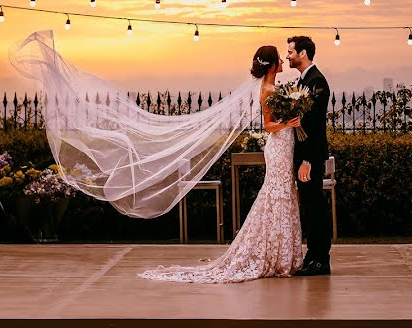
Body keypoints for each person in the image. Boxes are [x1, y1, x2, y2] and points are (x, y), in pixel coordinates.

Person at [139, 45, 304, 283]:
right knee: (276, 195)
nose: (282, 60)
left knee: (284, 194)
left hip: (286, 145)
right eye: (278, 58)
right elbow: (268, 125)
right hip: (278, 146)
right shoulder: (267, 90)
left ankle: (281, 254)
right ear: (270, 64)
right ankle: (273, 255)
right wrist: (287, 124)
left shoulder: (277, 88)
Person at [286, 35, 332, 276]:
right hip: (303, 156)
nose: (288, 56)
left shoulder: (318, 81)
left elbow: (315, 126)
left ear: (303, 53)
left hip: (310, 158)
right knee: (310, 206)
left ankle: (321, 260)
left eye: (291, 52)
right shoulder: (303, 81)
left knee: (316, 207)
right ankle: (312, 255)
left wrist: (307, 161)